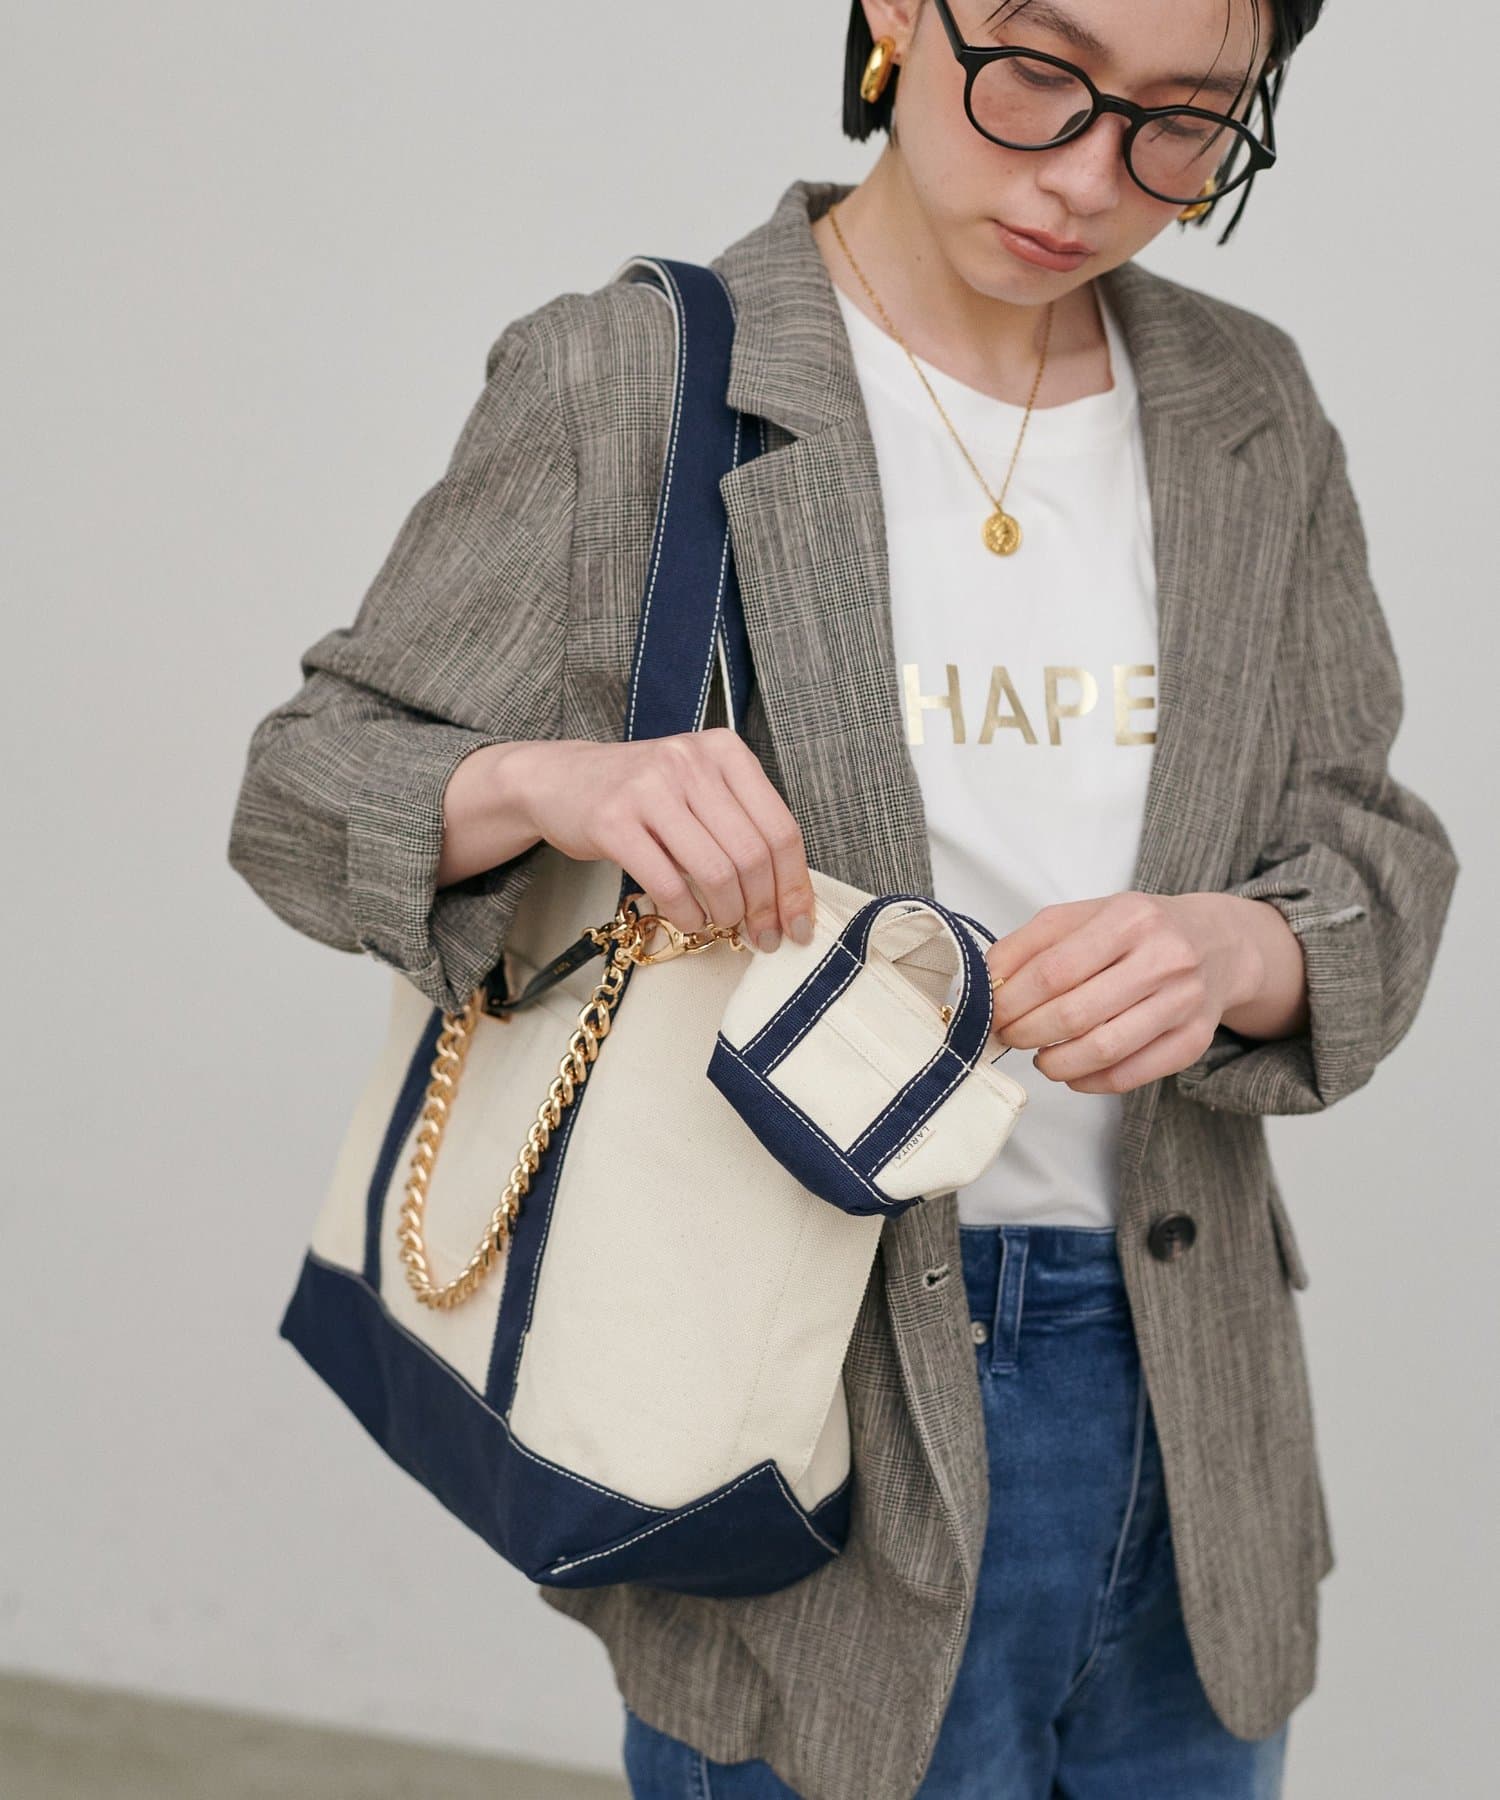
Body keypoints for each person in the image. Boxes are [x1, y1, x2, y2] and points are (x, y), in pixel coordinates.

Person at [226, 2, 1461, 1796]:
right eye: (1038, 72)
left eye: (1187, 122)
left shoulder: (1243, 404)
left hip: (1192, 1407)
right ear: (897, 9)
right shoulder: (633, 378)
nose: (1089, 176)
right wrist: (555, 784)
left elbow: (1371, 845)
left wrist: (1245, 953)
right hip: (802, 1396)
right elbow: (300, 790)